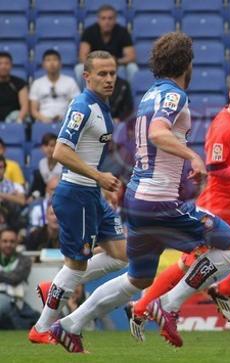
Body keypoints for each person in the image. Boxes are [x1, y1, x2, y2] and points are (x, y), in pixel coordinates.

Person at [49, 33, 230, 353]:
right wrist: (192, 156)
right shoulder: (174, 95)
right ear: (186, 64)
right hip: (160, 201)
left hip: (137, 200)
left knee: (137, 279)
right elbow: (157, 133)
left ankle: (69, 324)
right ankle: (168, 304)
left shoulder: (150, 94)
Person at [126, 70, 230, 329]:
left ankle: (223, 290)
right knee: (189, 264)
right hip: (217, 206)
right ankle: (140, 307)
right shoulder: (224, 126)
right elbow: (215, 167)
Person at [28, 50, 129, 345]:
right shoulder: (83, 106)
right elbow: (60, 151)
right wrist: (98, 177)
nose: (109, 79)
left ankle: (55, 285)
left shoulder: (102, 106)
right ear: (87, 76)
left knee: (121, 255)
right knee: (77, 265)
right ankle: (42, 328)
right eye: (102, 74)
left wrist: (99, 184)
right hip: (76, 194)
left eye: (112, 73)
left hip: (91, 194)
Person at [75, 5, 137, 87]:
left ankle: (128, 96)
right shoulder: (89, 32)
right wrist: (98, 63)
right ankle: (83, 97)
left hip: (117, 65)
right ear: (98, 20)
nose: (107, 21)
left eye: (110, 18)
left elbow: (131, 56)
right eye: (103, 18)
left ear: (115, 20)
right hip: (95, 65)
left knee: (132, 68)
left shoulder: (123, 32)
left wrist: (117, 61)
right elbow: (82, 56)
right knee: (79, 68)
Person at [29, 49, 81, 123]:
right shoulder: (37, 83)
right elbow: (33, 110)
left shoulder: (70, 82)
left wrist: (65, 117)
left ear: (60, 64)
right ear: (43, 65)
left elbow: (76, 105)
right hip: (42, 121)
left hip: (66, 121)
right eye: (48, 60)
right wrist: (44, 119)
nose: (52, 63)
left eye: (55, 60)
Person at [0, 229, 36, 330]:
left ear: (17, 243)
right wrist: (8, 276)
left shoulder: (25, 260)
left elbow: (15, 278)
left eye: (12, 241)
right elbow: (12, 277)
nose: (8, 244)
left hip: (14, 301)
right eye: (5, 241)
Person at [28, 133, 63, 199]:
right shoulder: (42, 163)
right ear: (42, 148)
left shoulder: (63, 164)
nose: (49, 148)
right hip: (46, 196)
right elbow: (41, 185)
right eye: (46, 145)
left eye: (52, 145)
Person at [0, 52, 28, 123]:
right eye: (0, 63)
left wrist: (18, 121)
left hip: (14, 119)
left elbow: (25, 106)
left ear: (11, 65)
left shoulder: (19, 83)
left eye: (6, 63)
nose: (3, 66)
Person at [0, 156, 26, 231]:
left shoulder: (15, 185)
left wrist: (3, 195)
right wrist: (11, 196)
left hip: (10, 220)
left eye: (0, 167)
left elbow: (22, 201)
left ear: (4, 169)